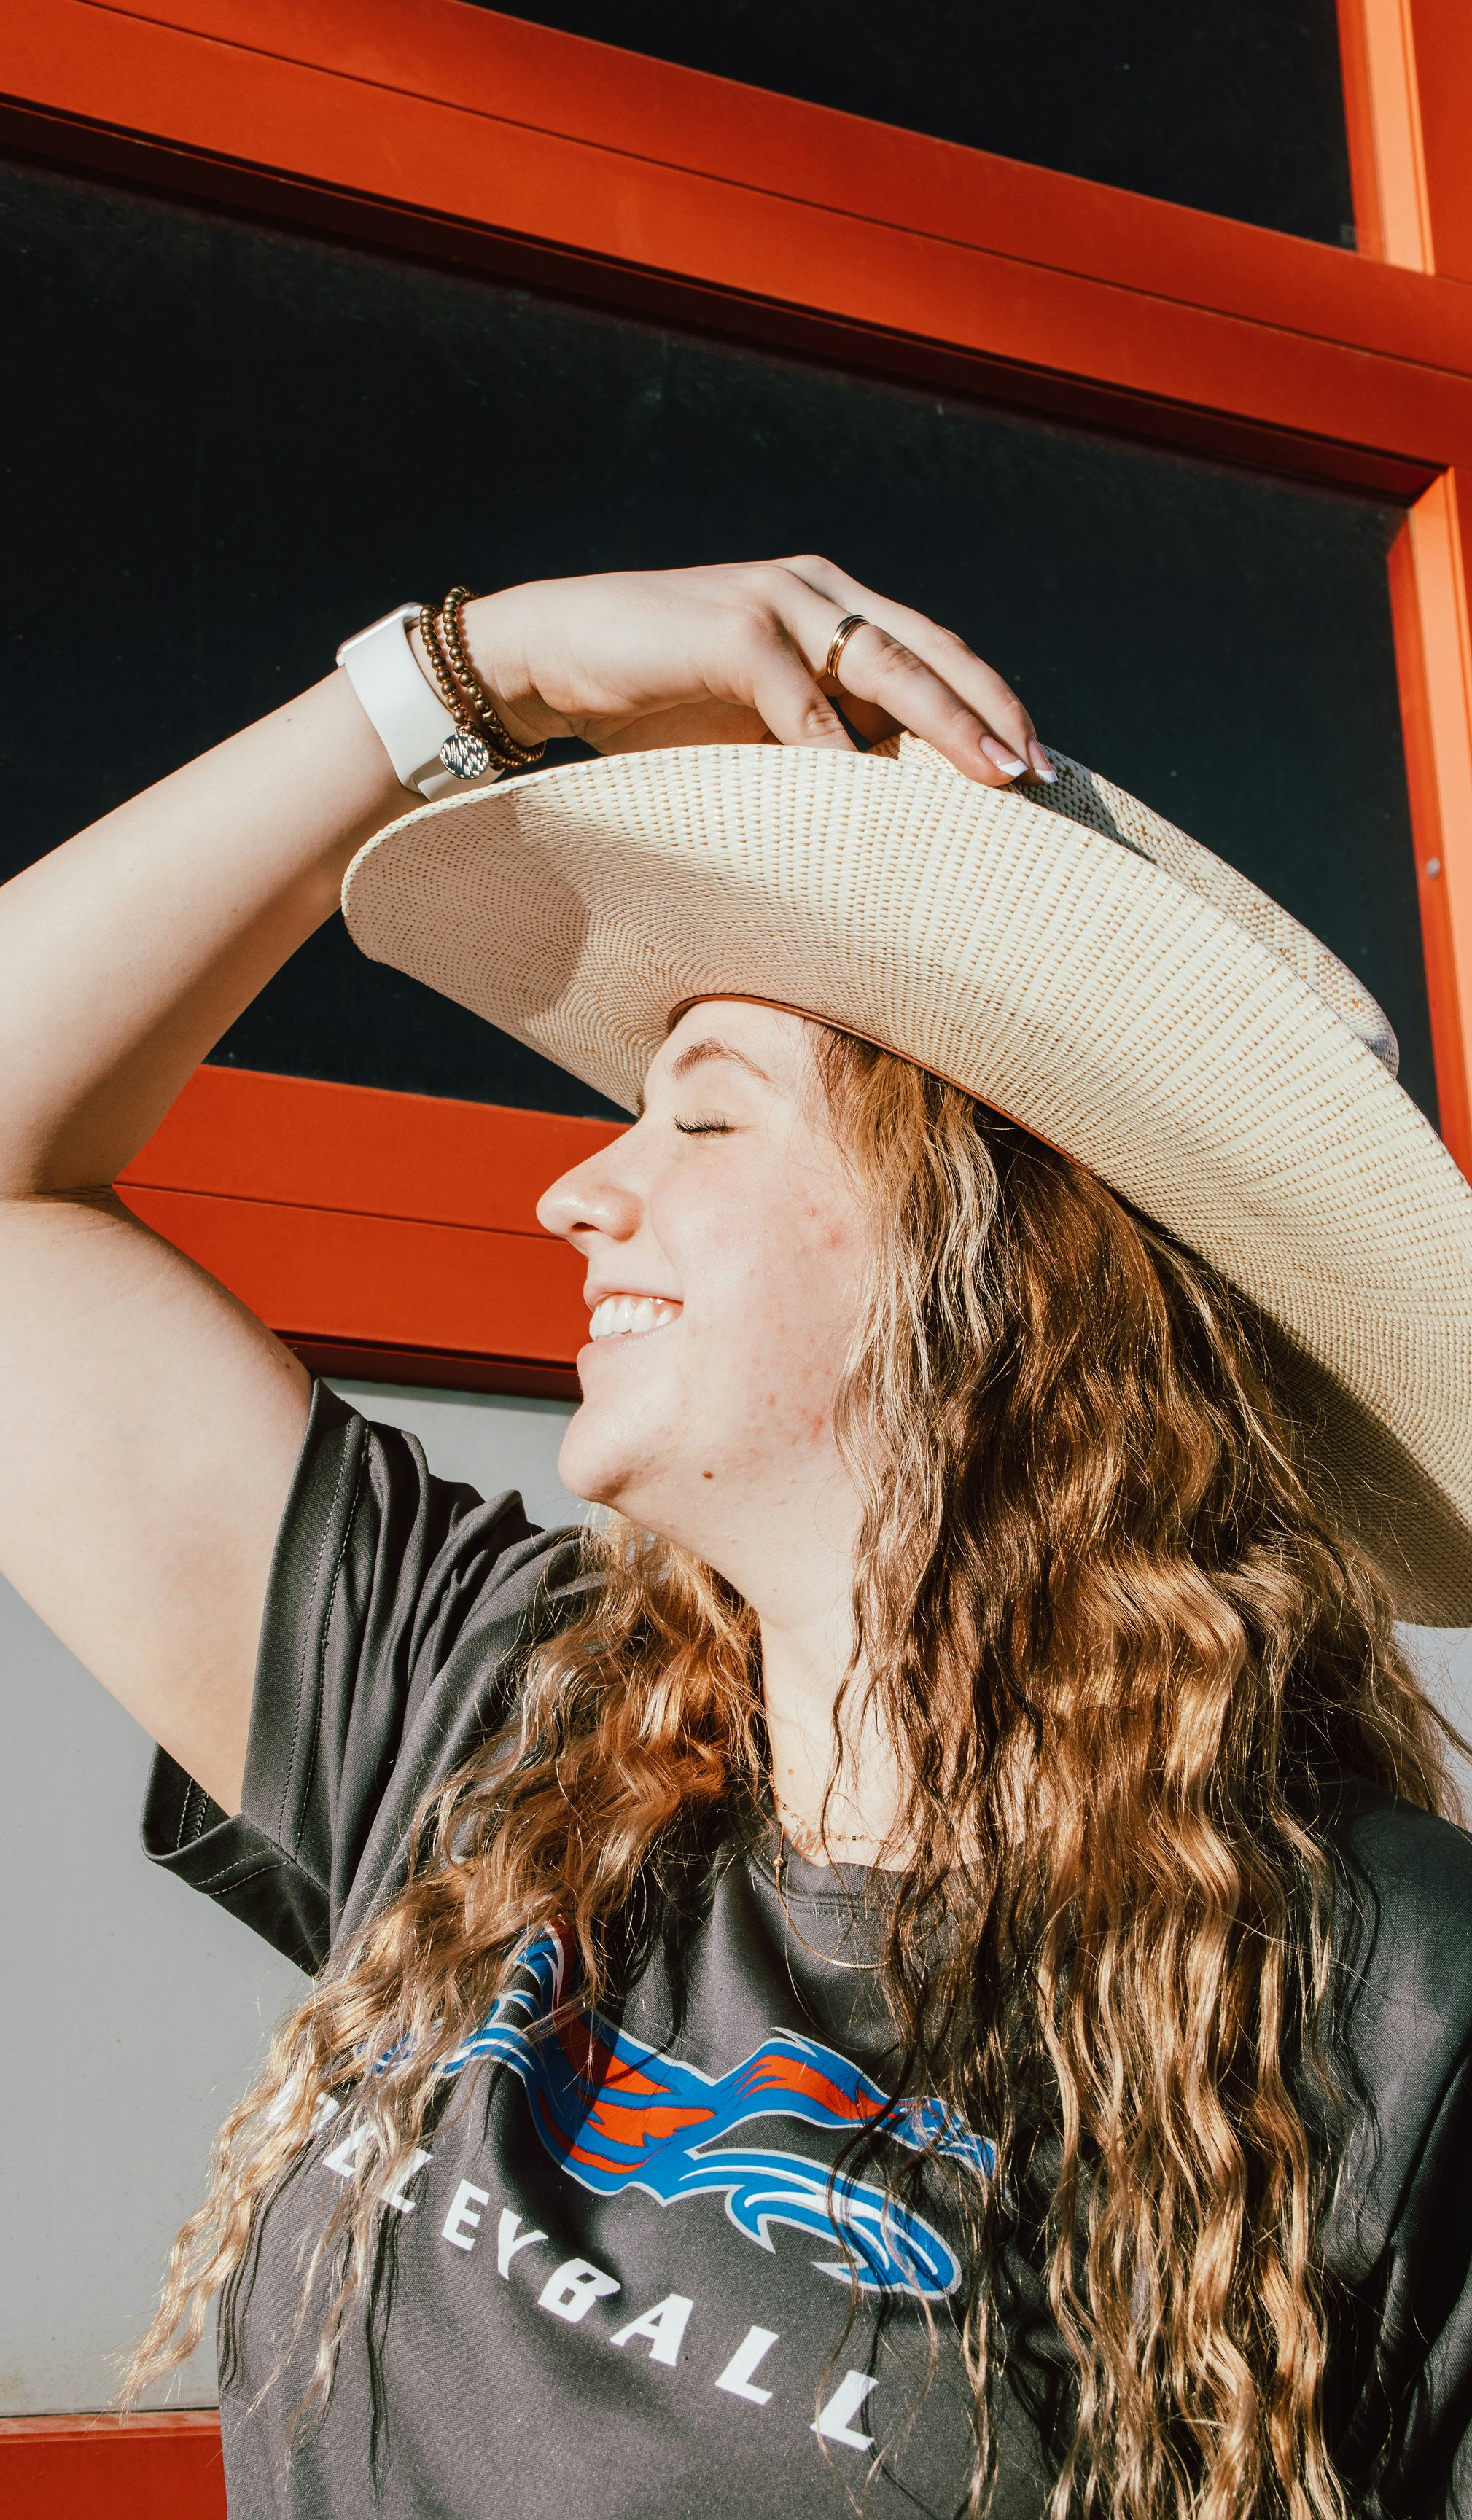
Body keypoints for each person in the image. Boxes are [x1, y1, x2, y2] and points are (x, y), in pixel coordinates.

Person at [1, 557, 1471, 2520]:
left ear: (1009, 1265)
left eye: (699, 1121)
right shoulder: (496, 1732)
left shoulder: (1388, 2000)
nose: (572, 1195)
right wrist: (469, 671)